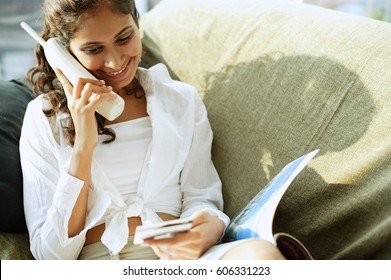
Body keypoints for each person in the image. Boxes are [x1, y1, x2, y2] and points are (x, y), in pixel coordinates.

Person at [20, 0, 285, 260]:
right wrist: (83, 146)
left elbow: (201, 196)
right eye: (93, 49)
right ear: (65, 54)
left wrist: (205, 227)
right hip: (102, 262)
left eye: (124, 38)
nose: (114, 62)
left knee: (261, 255)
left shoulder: (182, 100)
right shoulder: (44, 117)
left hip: (178, 261)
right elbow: (50, 255)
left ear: (137, 22)